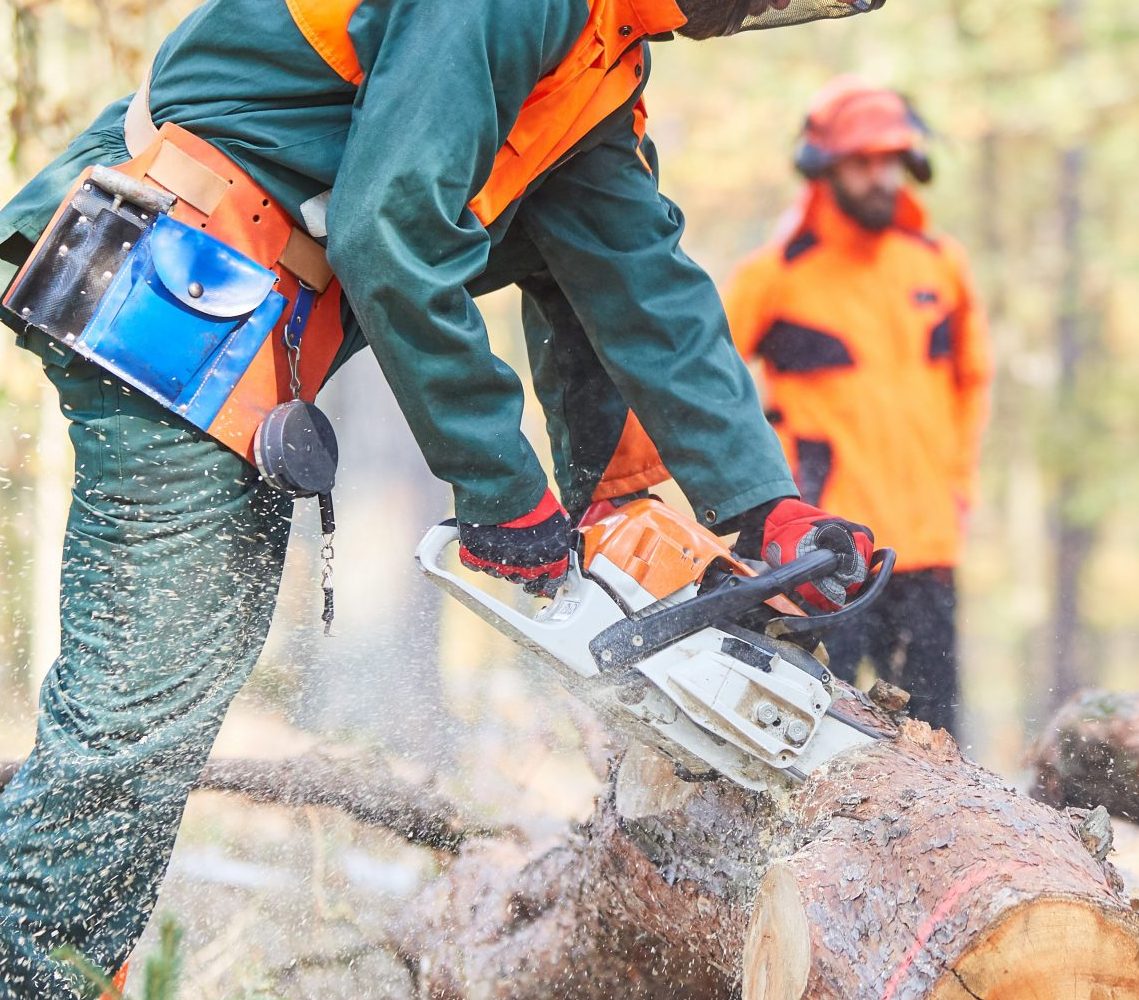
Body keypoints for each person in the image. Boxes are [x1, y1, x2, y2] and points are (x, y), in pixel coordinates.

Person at [0, 2, 885, 994]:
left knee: (164, 713)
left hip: (239, 300)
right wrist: (502, 491)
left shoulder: (599, 56)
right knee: (135, 726)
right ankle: (36, 975)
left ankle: (70, 964)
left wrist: (763, 504)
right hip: (172, 264)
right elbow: (386, 223)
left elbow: (638, 278)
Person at [723, 76, 993, 738]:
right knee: (815, 729)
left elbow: (972, 379)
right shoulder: (775, 276)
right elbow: (704, 376)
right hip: (823, 551)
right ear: (824, 165)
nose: (879, 178)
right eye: (861, 161)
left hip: (926, 548)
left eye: (889, 161)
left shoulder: (939, 266)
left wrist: (955, 484)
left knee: (935, 740)